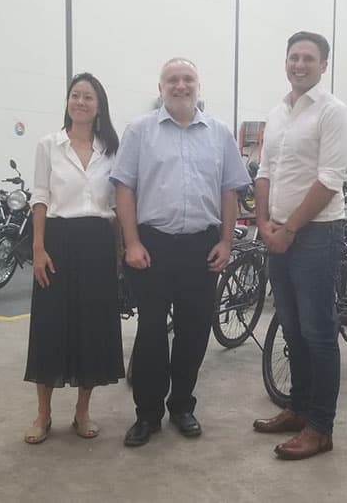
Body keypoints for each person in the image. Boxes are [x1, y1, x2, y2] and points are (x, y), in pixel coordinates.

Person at [110, 58, 251, 447]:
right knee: (152, 330)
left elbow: (229, 191)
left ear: (198, 85)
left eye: (188, 79)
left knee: (194, 330)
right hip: (152, 246)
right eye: (172, 79)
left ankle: (182, 405)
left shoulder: (219, 133)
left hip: (201, 247)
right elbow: (124, 189)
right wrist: (132, 242)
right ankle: (147, 414)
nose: (180, 85)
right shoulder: (140, 131)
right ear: (160, 87)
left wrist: (226, 241)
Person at [251, 31, 347, 460]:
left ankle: (320, 427)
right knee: (291, 328)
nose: (299, 64)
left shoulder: (333, 113)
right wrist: (262, 223)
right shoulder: (278, 113)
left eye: (308, 58)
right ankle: (297, 408)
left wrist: (289, 228)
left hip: (314, 237)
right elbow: (264, 170)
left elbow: (331, 180)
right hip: (278, 233)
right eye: (293, 57)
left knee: (317, 332)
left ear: (324, 65)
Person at [23, 72, 125, 444]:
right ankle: (43, 414)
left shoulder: (111, 149)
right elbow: (40, 196)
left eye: (88, 97)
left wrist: (118, 252)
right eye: (75, 95)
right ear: (68, 102)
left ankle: (83, 411)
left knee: (93, 328)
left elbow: (115, 206)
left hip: (98, 243)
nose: (80, 102)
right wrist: (38, 248)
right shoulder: (49, 144)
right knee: (50, 326)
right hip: (58, 241)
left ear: (99, 106)